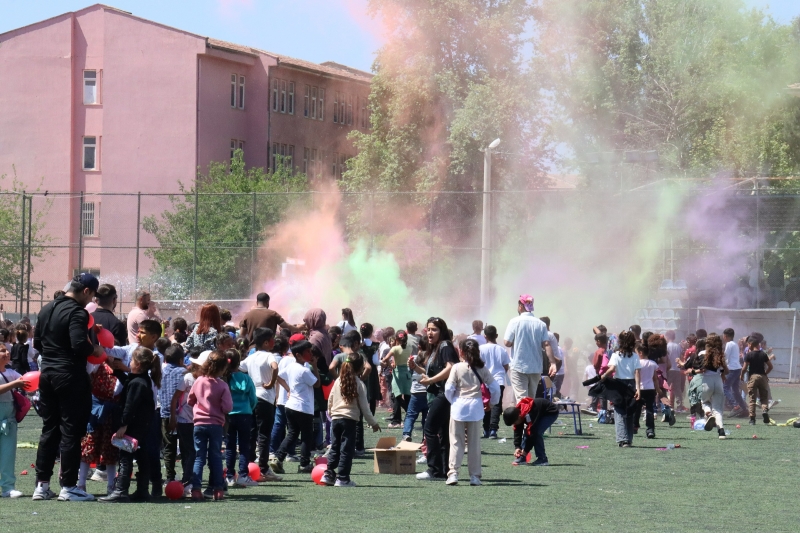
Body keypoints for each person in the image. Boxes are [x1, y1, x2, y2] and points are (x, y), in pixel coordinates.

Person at [33, 273, 103, 502]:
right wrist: (96, 350)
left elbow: (37, 343)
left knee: (49, 429)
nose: (91, 300)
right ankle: (69, 486)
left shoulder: (46, 309)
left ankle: (41, 485)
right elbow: (79, 344)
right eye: (91, 295)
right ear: (86, 291)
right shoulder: (77, 312)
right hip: (70, 374)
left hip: (47, 374)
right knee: (71, 431)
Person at [99, 347, 162, 503]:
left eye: (132, 361)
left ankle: (121, 490)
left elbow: (130, 406)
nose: (129, 363)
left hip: (134, 425)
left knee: (126, 457)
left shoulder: (138, 383)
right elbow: (128, 381)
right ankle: (142, 490)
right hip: (142, 425)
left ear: (138, 364)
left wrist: (123, 425)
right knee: (141, 456)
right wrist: (116, 370)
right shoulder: (141, 380)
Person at [444, 338, 500, 486]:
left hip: (459, 406)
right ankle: (475, 476)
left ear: (461, 352)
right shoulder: (482, 368)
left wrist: (453, 400)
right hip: (476, 407)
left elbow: (448, 389)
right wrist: (492, 403)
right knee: (474, 444)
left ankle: (453, 473)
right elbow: (495, 388)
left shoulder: (457, 367)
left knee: (456, 442)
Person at [323, 351, 380, 487]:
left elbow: (330, 399)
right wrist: (373, 423)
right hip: (349, 420)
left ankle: (329, 474)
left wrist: (331, 413)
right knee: (346, 449)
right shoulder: (359, 384)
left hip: (335, 419)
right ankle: (343, 478)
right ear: (360, 368)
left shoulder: (338, 381)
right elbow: (365, 407)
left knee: (335, 447)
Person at [414, 317, 460, 481]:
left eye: (434, 329)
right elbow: (432, 373)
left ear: (442, 331)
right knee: (443, 432)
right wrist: (416, 368)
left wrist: (431, 380)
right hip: (441, 393)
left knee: (430, 429)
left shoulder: (445, 345)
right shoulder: (435, 348)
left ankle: (434, 469)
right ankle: (444, 470)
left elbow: (451, 367)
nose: (430, 333)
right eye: (428, 329)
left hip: (444, 393)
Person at [269, 340, 321, 475]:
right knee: (306, 436)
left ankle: (278, 458)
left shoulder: (292, 366)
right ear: (298, 355)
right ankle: (304, 463)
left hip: (290, 405)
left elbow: (279, 376)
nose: (310, 354)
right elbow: (317, 384)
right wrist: (315, 366)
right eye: (307, 352)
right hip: (303, 407)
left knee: (292, 433)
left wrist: (288, 389)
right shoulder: (304, 370)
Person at [240, 327, 283, 481]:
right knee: (264, 434)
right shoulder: (269, 355)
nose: (274, 342)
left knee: (252, 433)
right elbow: (275, 366)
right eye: (272, 339)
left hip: (252, 398)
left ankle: (249, 465)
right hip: (265, 398)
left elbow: (238, 367)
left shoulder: (251, 357)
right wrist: (271, 382)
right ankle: (264, 468)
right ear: (266, 342)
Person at [188, 351, 232, 501]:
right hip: (216, 424)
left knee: (199, 457)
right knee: (216, 457)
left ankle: (196, 489)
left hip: (199, 423)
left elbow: (190, 400)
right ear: (222, 368)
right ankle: (218, 490)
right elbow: (228, 407)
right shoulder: (223, 385)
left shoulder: (199, 381)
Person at [503, 295, 555, 401]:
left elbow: (507, 343)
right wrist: (553, 363)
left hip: (519, 366)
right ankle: (530, 412)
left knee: (522, 399)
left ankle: (524, 413)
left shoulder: (514, 322)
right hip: (535, 367)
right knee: (531, 398)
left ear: (521, 306)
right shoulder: (541, 324)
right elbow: (546, 344)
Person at [600, 331, 641, 447]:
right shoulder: (635, 356)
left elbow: (612, 368)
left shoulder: (615, 355)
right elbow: (637, 372)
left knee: (619, 411)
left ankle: (622, 439)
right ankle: (629, 439)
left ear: (620, 342)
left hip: (618, 384)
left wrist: (603, 376)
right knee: (630, 411)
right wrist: (638, 388)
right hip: (631, 384)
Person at [224, 349, 258, 487]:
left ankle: (230, 476)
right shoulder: (246, 378)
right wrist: (249, 408)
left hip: (228, 415)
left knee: (230, 446)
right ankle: (243, 475)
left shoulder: (224, 379)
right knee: (244, 446)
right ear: (239, 362)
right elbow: (253, 398)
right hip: (245, 414)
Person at [0, 345, 29, 498]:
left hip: (9, 420)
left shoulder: (12, 373)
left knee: (8, 454)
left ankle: (8, 487)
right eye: (2, 351)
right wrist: (15, 384)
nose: (6, 353)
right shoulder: (13, 378)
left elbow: (28, 382)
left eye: (6, 350)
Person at [171, 348, 200, 497]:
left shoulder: (203, 379)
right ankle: (187, 480)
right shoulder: (188, 378)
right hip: (184, 419)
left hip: (197, 419)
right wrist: (173, 417)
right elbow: (175, 397)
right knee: (190, 451)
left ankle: (187, 479)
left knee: (191, 451)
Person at [504, 396, 559, 466]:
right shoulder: (518, 414)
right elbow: (517, 430)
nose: (514, 424)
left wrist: (526, 450)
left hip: (550, 412)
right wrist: (517, 447)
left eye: (514, 422)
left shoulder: (529, 414)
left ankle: (542, 459)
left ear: (519, 417)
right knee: (528, 432)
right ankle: (522, 458)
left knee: (537, 432)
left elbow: (533, 433)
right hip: (539, 413)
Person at [160, 344, 187, 486]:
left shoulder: (161, 371)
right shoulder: (183, 372)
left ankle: (170, 476)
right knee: (185, 446)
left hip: (165, 413)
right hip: (183, 415)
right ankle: (187, 476)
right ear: (181, 360)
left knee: (168, 447)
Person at [479, 325, 510, 439]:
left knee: (485, 404)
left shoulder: (480, 349)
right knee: (497, 405)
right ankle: (493, 430)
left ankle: (486, 429)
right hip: (498, 381)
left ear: (485, 336)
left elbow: (478, 365)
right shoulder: (502, 349)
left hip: (485, 381)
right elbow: (506, 366)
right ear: (496, 335)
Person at [699, 334, 729, 440]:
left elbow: (700, 369)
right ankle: (721, 431)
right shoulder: (720, 354)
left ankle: (708, 414)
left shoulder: (702, 353)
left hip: (706, 380)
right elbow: (726, 371)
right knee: (718, 409)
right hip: (718, 380)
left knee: (704, 402)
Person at [402, 336, 429, 442]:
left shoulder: (413, 358)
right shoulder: (432, 358)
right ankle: (425, 438)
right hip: (427, 392)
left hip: (416, 393)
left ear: (419, 346)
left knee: (410, 415)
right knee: (426, 418)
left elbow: (409, 372)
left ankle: (406, 434)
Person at [740, 336, 773, 425]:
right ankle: (764, 410)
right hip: (762, 377)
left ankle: (752, 419)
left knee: (752, 398)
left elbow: (744, 368)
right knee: (764, 397)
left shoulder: (749, 355)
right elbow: (770, 366)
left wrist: (741, 375)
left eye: (748, 344)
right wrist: (765, 374)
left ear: (750, 344)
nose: (748, 346)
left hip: (753, 377)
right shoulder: (763, 354)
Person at [633, 341, 662, 439]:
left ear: (640, 353)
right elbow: (655, 378)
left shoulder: (637, 363)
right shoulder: (652, 363)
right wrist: (658, 389)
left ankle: (634, 426)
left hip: (639, 389)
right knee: (649, 409)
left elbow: (636, 376)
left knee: (636, 409)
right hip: (650, 389)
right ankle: (650, 430)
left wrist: (636, 388)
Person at [387, 331, 412, 428]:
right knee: (408, 397)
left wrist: (390, 366)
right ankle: (408, 419)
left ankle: (396, 421)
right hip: (407, 373)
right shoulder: (409, 348)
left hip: (398, 374)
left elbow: (385, 359)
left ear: (396, 339)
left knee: (397, 397)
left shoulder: (395, 348)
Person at [722, 328, 747, 418]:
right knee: (735, 390)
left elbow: (725, 357)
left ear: (726, 336)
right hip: (737, 368)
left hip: (731, 368)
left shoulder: (729, 344)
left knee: (725, 387)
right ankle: (744, 409)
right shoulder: (735, 344)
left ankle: (735, 406)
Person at [665, 330, 685, 411]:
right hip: (677, 369)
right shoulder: (678, 346)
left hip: (669, 369)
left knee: (665, 388)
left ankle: (664, 405)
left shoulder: (666, 346)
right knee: (677, 389)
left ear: (667, 337)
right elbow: (680, 357)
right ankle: (679, 406)